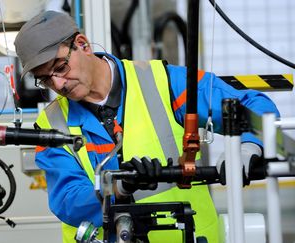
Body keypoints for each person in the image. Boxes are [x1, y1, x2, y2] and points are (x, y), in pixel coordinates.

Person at [14, 11, 279, 243]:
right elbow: (68, 201)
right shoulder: (51, 124)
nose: (58, 85)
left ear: (82, 44)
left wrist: (248, 145)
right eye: (45, 80)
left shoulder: (164, 83)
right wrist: (119, 187)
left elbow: (253, 106)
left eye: (60, 67)